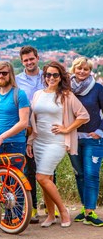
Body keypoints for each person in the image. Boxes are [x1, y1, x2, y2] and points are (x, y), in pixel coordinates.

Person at [27, 61, 89, 228]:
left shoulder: (67, 95)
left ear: (61, 77)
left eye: (55, 75)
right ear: (44, 76)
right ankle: (50, 215)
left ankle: (63, 211)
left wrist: (67, 128)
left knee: (41, 177)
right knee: (47, 178)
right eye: (48, 74)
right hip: (39, 141)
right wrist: (30, 141)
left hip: (57, 142)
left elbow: (83, 115)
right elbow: (34, 119)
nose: (51, 78)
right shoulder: (38, 94)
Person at [68, 57, 103, 226]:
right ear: (73, 69)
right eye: (79, 68)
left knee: (91, 174)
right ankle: (84, 208)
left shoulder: (97, 88)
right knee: (79, 174)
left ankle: (90, 211)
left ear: (90, 71)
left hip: (92, 139)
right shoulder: (67, 89)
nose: (82, 72)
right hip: (73, 139)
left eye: (86, 69)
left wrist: (99, 131)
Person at [15, 45, 43, 224]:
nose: (29, 62)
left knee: (49, 169)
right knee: (29, 169)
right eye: (25, 60)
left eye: (31, 59)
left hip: (47, 127)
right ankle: (31, 207)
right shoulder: (17, 80)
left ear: (37, 58)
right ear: (22, 62)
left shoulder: (48, 75)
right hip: (28, 129)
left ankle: (49, 207)